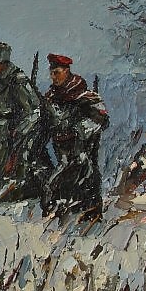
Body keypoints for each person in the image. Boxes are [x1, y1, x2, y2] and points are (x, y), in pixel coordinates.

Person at [0, 41, 51, 210]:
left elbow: (34, 111)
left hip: (13, 130)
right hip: (0, 129)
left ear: (3, 63)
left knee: (15, 165)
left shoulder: (17, 80)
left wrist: (18, 132)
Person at [43, 53, 109, 219]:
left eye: (56, 72)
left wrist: (78, 130)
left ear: (66, 71)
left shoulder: (84, 96)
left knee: (85, 177)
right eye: (51, 73)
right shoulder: (51, 97)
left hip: (82, 149)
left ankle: (90, 213)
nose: (53, 77)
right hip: (62, 150)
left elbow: (101, 120)